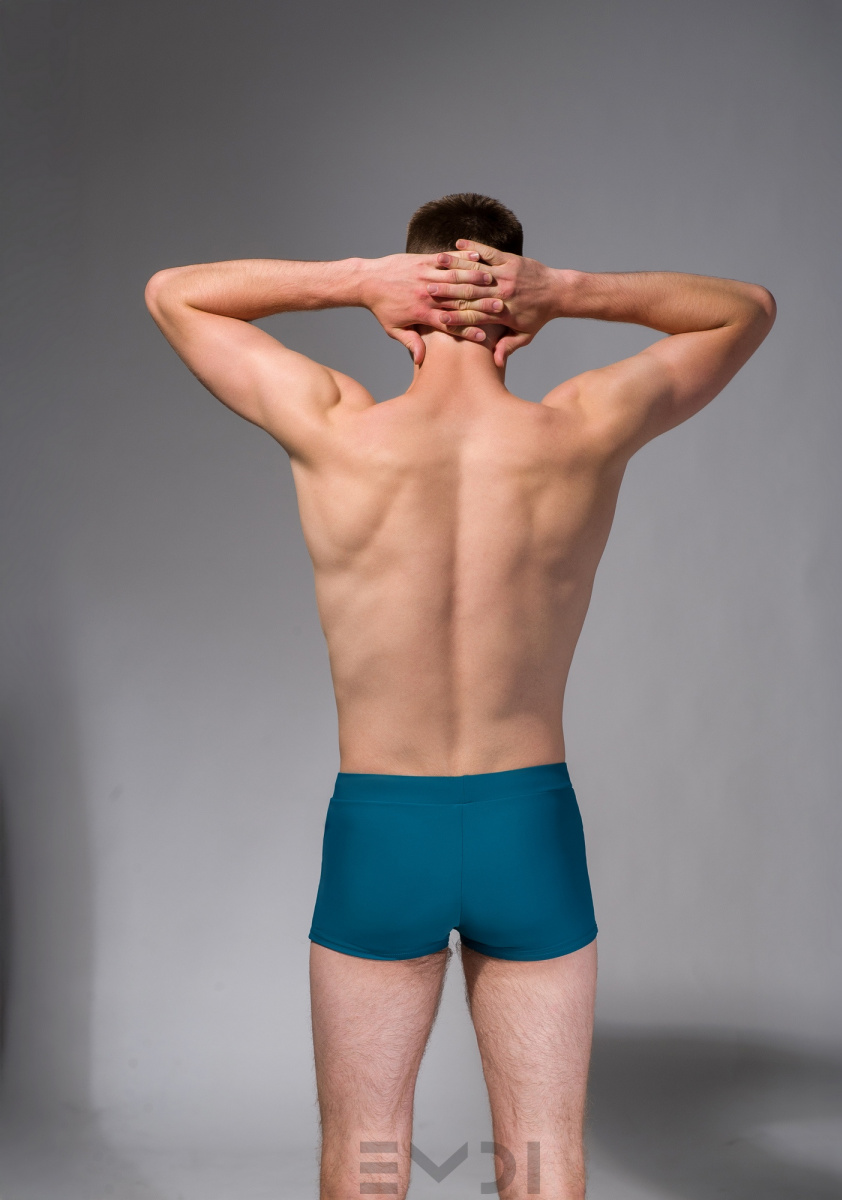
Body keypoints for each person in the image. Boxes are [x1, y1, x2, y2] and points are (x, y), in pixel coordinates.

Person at [144, 192, 775, 1200]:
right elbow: (746, 309)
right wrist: (567, 292)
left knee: (366, 1153)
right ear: (514, 308)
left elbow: (173, 294)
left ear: (409, 300)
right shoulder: (582, 429)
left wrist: (357, 281)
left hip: (381, 827)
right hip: (529, 824)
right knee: (543, 1158)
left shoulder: (334, 426)